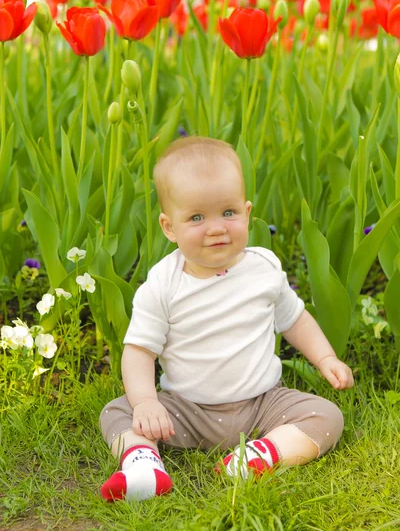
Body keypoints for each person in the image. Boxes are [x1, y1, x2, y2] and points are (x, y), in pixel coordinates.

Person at [99, 136, 354, 502]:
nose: (216, 228)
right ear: (169, 227)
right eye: (197, 217)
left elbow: (294, 319)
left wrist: (326, 358)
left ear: (247, 212)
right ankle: (143, 463)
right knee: (119, 411)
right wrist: (146, 404)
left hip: (263, 405)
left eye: (229, 213)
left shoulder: (263, 268)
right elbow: (139, 351)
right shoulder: (164, 283)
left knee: (326, 415)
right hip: (185, 411)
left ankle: (259, 457)